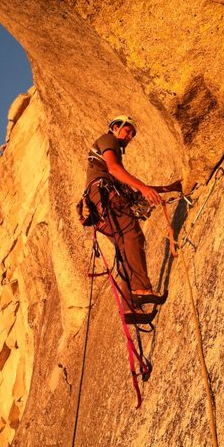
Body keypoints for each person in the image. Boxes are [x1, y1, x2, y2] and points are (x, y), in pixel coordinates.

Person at [85, 115, 168, 324]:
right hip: (104, 196)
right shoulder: (108, 139)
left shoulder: (112, 165)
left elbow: (133, 187)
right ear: (115, 127)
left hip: (100, 204)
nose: (129, 136)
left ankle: (131, 308)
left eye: (132, 134)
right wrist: (143, 187)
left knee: (124, 251)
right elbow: (113, 168)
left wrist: (169, 188)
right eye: (127, 130)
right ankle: (140, 288)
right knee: (132, 235)